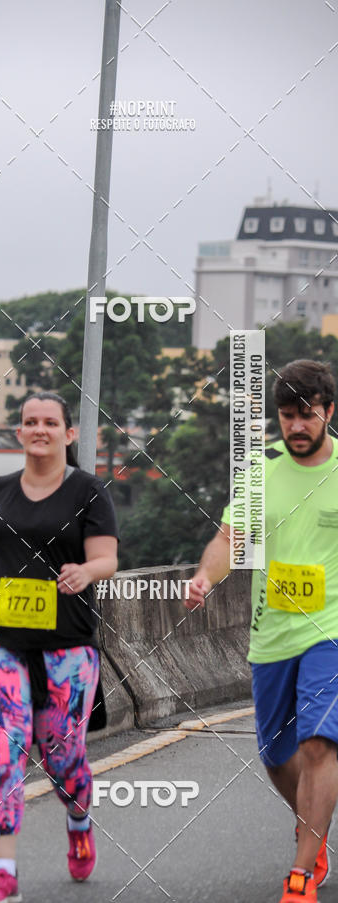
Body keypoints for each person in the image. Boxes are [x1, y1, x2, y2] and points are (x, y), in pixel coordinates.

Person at [186, 359, 338, 903]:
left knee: (319, 742)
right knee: (277, 753)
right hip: (271, 633)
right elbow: (230, 539)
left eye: (307, 415)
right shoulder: (261, 469)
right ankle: (313, 828)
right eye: (287, 415)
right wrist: (205, 577)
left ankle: (301, 871)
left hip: (330, 632)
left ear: (329, 412)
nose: (296, 425)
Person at [0, 391, 118, 903]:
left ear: (68, 434)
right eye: (31, 422)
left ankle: (79, 820)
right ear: (20, 432)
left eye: (50, 422)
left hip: (66, 646)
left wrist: (86, 572)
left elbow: (107, 559)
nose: (39, 430)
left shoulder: (88, 491)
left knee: (62, 759)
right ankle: (3, 873)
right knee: (2, 746)